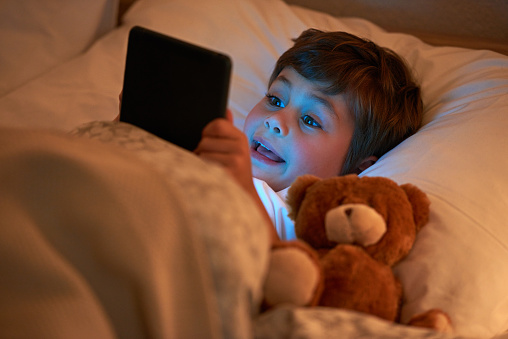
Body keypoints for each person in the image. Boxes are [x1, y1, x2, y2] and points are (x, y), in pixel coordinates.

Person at [193, 28, 423, 243]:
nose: (275, 120)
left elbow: (283, 267)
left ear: (359, 168)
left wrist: (242, 187)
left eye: (310, 120)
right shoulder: (209, 154)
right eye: (275, 100)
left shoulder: (306, 220)